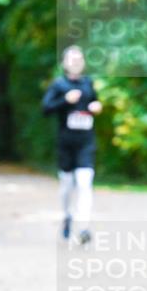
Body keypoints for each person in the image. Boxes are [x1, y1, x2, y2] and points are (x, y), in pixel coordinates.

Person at [41, 45, 103, 243]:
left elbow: (95, 102)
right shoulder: (59, 85)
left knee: (85, 183)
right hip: (66, 144)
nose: (76, 62)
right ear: (64, 63)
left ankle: (83, 226)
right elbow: (45, 108)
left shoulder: (88, 83)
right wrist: (65, 100)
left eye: (79, 59)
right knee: (67, 186)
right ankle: (67, 215)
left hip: (86, 142)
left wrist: (96, 106)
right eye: (72, 59)